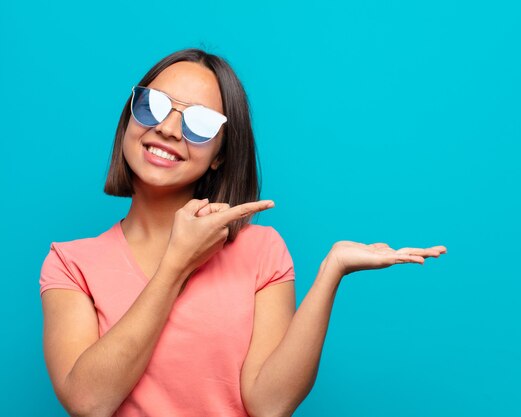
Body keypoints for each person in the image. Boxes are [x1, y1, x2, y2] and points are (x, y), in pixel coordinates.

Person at [39, 48, 447, 417]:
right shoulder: (71, 264)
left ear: (220, 155)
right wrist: (175, 265)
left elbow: (270, 404)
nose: (167, 129)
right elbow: (89, 402)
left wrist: (331, 271)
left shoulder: (262, 251)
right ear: (129, 115)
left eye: (199, 123)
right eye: (153, 106)